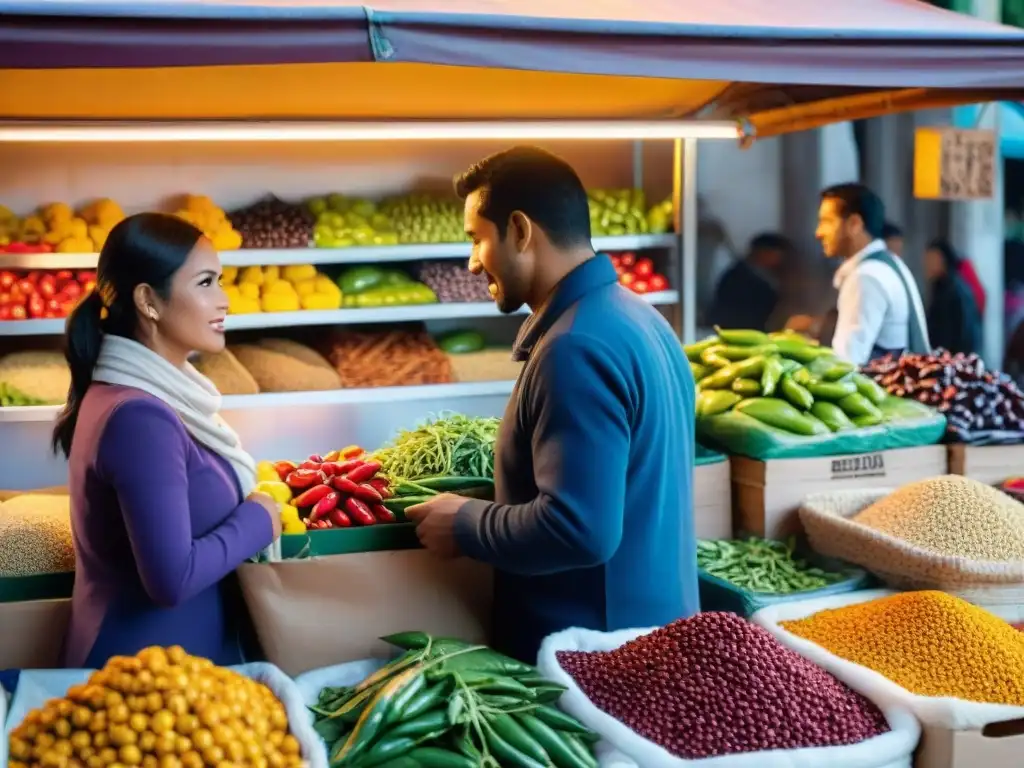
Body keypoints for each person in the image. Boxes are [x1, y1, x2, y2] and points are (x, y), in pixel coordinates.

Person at [404, 146, 698, 663]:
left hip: (597, 659)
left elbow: (579, 530)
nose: (473, 262)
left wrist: (466, 523)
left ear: (519, 230)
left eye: (476, 240)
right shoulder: (640, 317)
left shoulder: (574, 347)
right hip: (649, 636)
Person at [54, 212, 281, 669]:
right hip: (139, 678)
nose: (224, 300)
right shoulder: (141, 418)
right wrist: (261, 516)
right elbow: (170, 579)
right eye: (205, 283)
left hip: (170, 665)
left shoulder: (132, 395)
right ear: (148, 301)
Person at [815, 183, 930, 364]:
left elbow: (846, 362)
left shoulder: (866, 277)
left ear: (854, 224)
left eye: (827, 222)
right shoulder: (888, 263)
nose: (818, 233)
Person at [706, 232, 791, 332]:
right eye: (775, 255)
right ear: (762, 252)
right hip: (736, 334)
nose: (778, 261)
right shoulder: (739, 278)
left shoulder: (762, 275)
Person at [924, 238, 983, 354]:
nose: (927, 265)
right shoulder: (940, 287)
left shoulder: (955, 289)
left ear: (943, 260)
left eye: (931, 260)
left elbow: (964, 333)